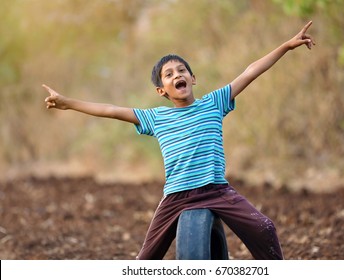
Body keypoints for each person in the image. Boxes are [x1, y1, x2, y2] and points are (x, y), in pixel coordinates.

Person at [43, 21, 315, 260]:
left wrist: (286, 46)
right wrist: (68, 103)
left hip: (216, 190)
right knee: (144, 261)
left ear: (193, 78)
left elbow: (250, 72)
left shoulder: (214, 102)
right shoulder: (155, 117)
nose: (177, 75)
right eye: (169, 74)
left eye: (182, 70)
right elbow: (111, 110)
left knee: (265, 227)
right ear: (162, 90)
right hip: (176, 197)